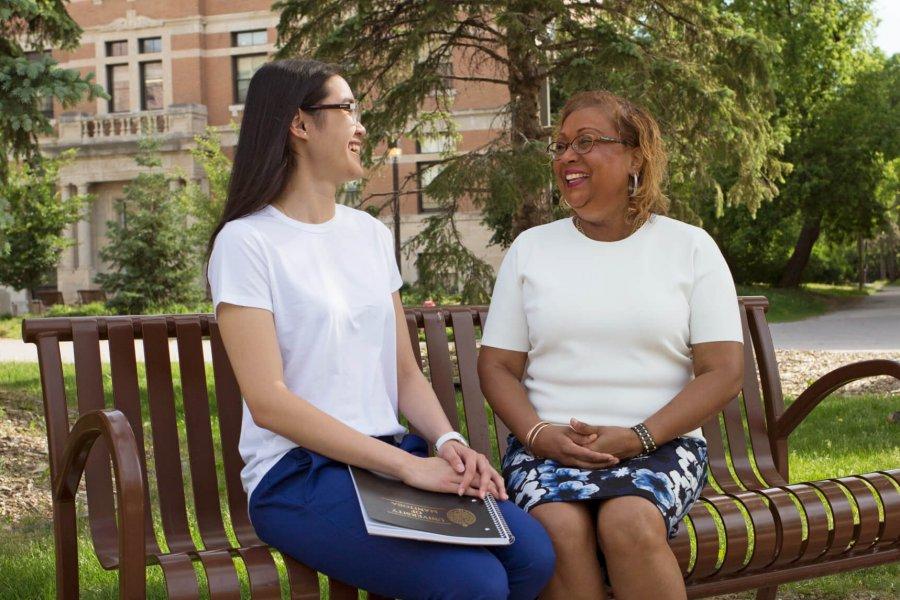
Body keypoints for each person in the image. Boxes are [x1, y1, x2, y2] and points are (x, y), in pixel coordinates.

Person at [207, 58, 555, 600]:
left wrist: (448, 442)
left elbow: (403, 372)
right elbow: (269, 401)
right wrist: (408, 469)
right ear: (300, 124)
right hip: (299, 475)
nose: (361, 125)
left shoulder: (367, 234)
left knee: (534, 556)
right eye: (347, 108)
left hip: (384, 460)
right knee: (474, 584)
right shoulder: (247, 242)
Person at [477, 90, 745, 600]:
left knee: (629, 522)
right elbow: (497, 367)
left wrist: (639, 436)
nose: (567, 157)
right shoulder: (531, 250)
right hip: (548, 448)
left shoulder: (690, 248)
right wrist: (537, 435)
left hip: (661, 444)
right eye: (560, 146)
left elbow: (723, 371)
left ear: (635, 158)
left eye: (586, 142)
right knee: (556, 529)